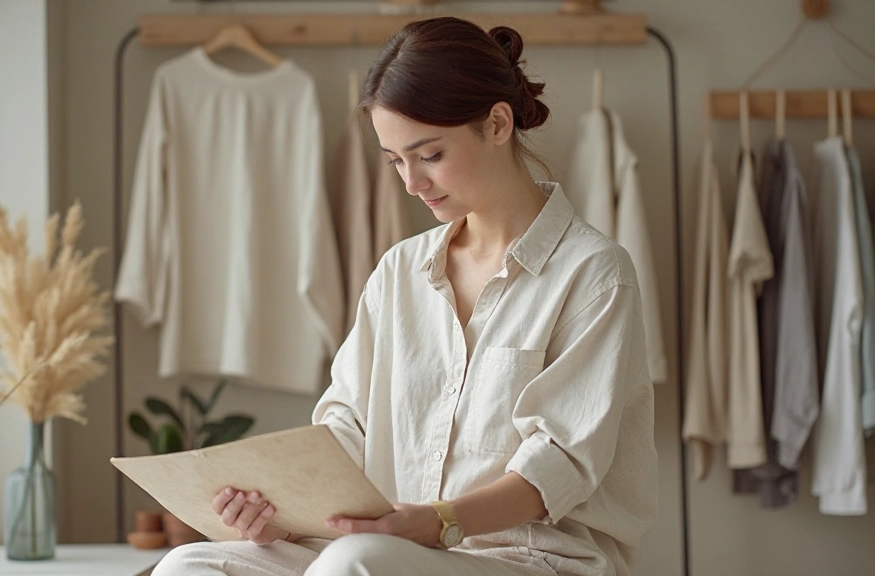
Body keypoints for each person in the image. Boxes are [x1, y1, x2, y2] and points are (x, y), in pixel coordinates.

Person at [153, 16, 657, 576]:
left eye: (429, 155)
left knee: (356, 562)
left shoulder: (594, 274)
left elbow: (559, 464)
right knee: (190, 564)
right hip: (393, 551)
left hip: (529, 559)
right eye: (395, 161)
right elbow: (346, 430)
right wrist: (280, 514)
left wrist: (440, 520)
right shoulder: (400, 271)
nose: (412, 183)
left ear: (495, 123)